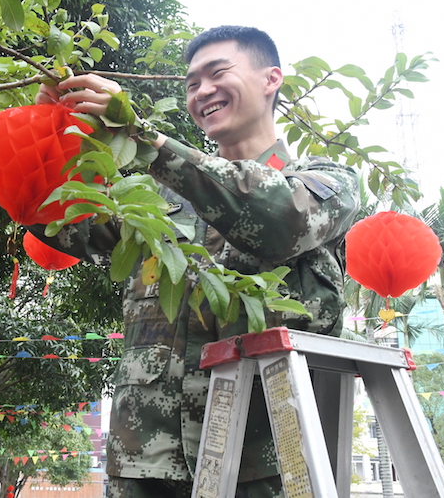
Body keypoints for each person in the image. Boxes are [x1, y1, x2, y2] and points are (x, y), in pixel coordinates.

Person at [33, 25, 360, 498]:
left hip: (265, 466)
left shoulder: (327, 182)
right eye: (191, 84)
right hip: (146, 461)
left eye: (217, 73)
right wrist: (46, 135)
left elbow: (277, 222)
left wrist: (141, 137)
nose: (202, 91)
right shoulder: (152, 200)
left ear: (272, 79)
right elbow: (63, 224)